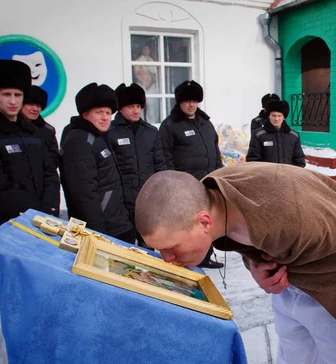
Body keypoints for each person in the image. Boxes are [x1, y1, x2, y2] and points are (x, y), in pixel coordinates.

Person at [135, 163, 336, 364]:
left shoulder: (286, 218)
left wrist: (291, 272)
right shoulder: (211, 197)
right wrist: (256, 266)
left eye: (171, 248)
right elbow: (249, 240)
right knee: (296, 363)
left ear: (203, 222)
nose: (167, 259)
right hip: (290, 280)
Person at [0, 59, 60, 237]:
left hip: (43, 222)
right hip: (6, 227)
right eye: (6, 94)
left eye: (18, 94)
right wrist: (36, 211)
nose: (13, 101)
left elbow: (50, 172)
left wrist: (49, 206)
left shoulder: (33, 132)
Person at [160, 79, 224, 269]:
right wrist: (173, 185)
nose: (191, 104)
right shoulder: (170, 125)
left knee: (207, 222)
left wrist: (218, 176)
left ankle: (205, 255)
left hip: (207, 183)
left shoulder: (205, 123)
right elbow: (165, 157)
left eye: (195, 101)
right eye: (187, 101)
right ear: (179, 102)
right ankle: (185, 257)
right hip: (185, 187)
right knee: (186, 224)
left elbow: (215, 150)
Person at [59, 83, 134, 243]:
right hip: (101, 230)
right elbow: (84, 194)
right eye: (99, 112)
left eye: (108, 112)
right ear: (85, 114)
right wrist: (98, 233)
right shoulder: (79, 141)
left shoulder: (99, 136)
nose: (105, 117)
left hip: (118, 224)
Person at [108, 83, 166, 247]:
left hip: (148, 202)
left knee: (149, 246)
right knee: (122, 248)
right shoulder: (110, 132)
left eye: (138, 106)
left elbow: (160, 165)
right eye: (130, 106)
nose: (135, 110)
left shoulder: (151, 132)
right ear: (120, 108)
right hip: (121, 205)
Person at [246, 99, 306, 167]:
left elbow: (299, 160)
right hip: (266, 176)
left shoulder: (294, 136)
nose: (276, 119)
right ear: (269, 116)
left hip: (288, 175)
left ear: (284, 117)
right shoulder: (258, 135)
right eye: (273, 115)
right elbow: (252, 160)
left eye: (279, 116)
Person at [21, 85, 60, 172]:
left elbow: (53, 159)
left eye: (38, 106)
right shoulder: (11, 128)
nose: (35, 109)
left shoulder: (48, 131)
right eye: (31, 104)